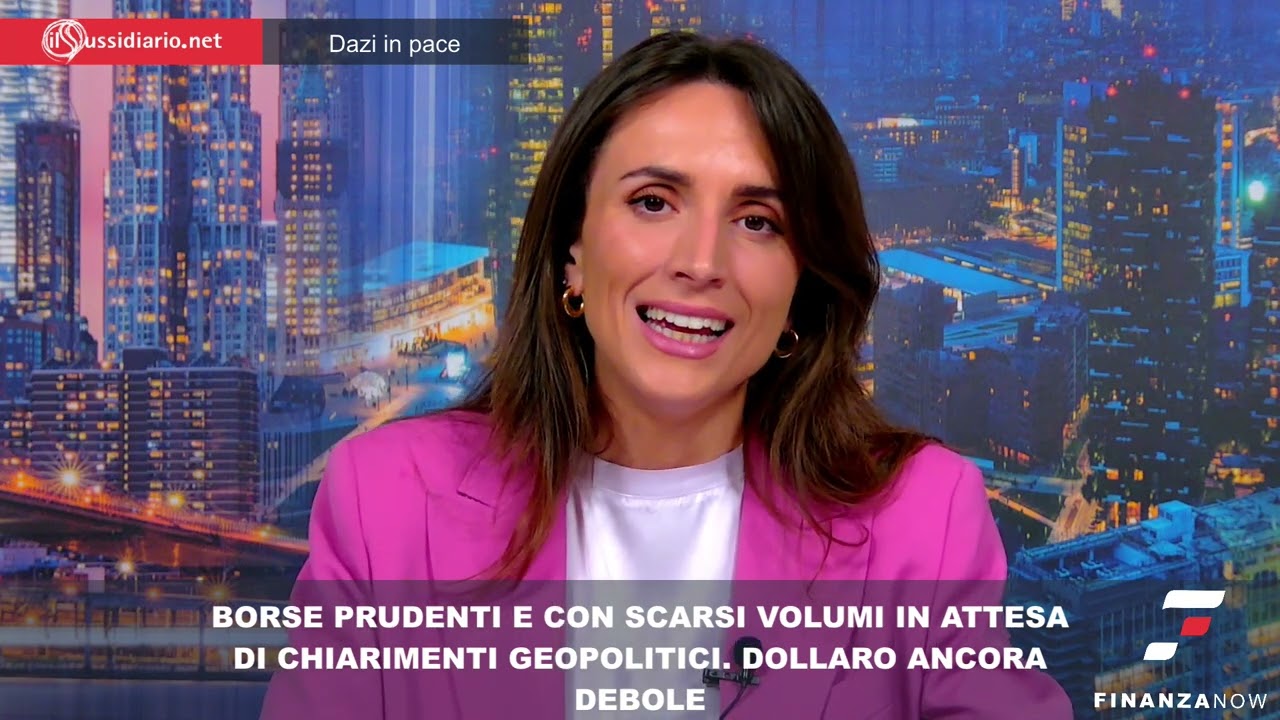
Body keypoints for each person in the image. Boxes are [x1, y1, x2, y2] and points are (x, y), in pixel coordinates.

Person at [261, 31, 1073, 719]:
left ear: (800, 288)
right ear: (573, 253)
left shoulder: (920, 518)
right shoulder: (385, 502)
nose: (700, 262)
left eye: (756, 221)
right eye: (653, 202)